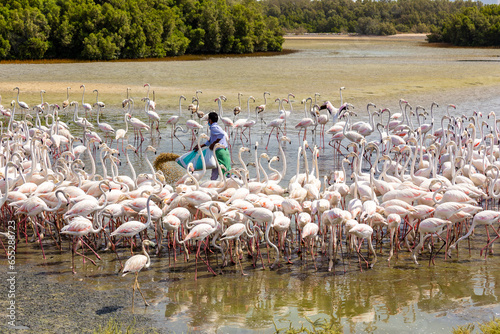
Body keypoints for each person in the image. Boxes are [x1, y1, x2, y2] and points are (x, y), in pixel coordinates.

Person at [194, 112, 231, 180]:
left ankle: (237, 183)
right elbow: (210, 140)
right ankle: (212, 183)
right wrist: (200, 146)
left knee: (227, 171)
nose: (208, 121)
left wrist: (214, 143)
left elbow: (221, 134)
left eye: (208, 120)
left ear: (210, 120)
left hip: (221, 151)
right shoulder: (216, 127)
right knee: (215, 169)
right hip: (218, 151)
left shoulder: (213, 127)